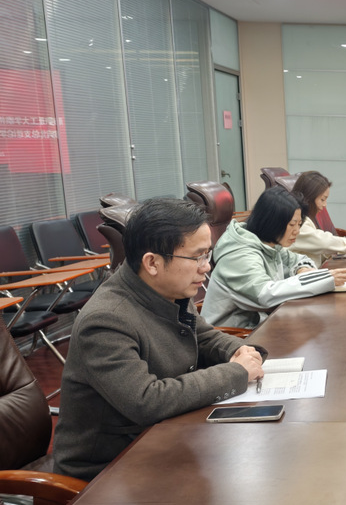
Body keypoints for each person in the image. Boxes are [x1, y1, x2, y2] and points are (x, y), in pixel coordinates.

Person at [52, 198, 266, 481]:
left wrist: (241, 351)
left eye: (207, 255)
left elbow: (203, 336)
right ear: (152, 263)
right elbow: (147, 401)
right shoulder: (106, 320)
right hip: (109, 471)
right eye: (197, 257)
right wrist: (236, 372)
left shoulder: (167, 289)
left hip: (165, 440)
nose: (206, 267)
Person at [201, 187, 346, 329]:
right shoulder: (239, 254)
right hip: (233, 335)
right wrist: (320, 279)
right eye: (292, 225)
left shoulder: (269, 244)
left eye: (299, 224)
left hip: (262, 324)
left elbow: (297, 259)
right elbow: (265, 295)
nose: (297, 231)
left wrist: (303, 269)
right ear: (272, 222)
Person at [290, 171, 346, 264]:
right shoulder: (295, 222)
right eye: (322, 199)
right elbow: (321, 241)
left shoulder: (302, 216)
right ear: (309, 197)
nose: (324, 205)